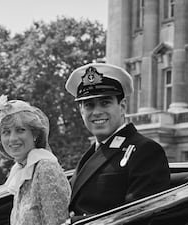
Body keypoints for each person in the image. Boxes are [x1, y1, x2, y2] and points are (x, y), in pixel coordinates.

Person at [64, 63, 171, 222]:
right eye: (89, 105)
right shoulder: (93, 152)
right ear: (81, 111)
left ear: (122, 106)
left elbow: (141, 217)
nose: (97, 112)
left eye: (105, 103)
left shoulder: (145, 151)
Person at [0, 95, 71, 225]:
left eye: (20, 130)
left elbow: (59, 222)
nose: (13, 138)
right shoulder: (21, 172)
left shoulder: (45, 169)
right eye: (6, 132)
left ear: (34, 134)